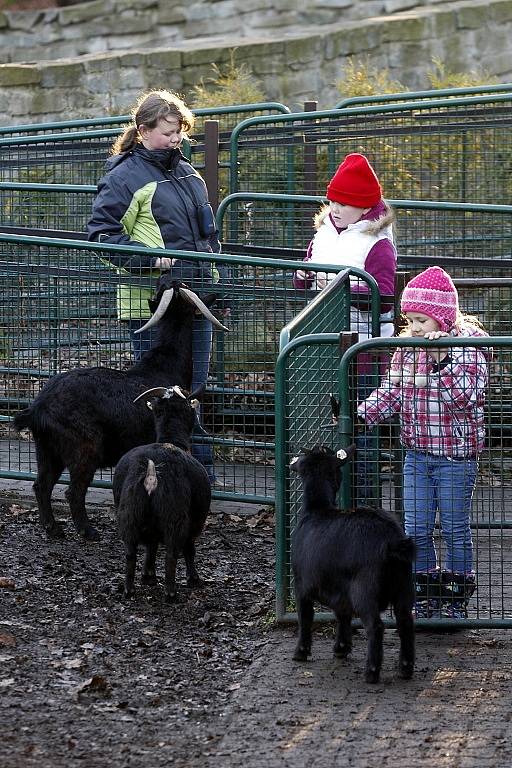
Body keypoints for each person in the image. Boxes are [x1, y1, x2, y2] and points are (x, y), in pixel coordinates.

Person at [87, 89, 223, 486]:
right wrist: (147, 258)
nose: (176, 138)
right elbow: (101, 235)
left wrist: (218, 288)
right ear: (143, 130)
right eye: (167, 132)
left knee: (192, 389)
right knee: (163, 394)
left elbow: (207, 238)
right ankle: (173, 475)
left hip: (195, 299)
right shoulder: (125, 175)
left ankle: (196, 476)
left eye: (180, 130)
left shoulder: (187, 172)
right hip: (153, 305)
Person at [357, 267, 490, 620]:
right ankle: (424, 594)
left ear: (443, 319)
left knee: (453, 527)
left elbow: (463, 397)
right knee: (415, 527)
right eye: (410, 319)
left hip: (455, 457)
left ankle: (456, 600)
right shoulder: (406, 349)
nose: (414, 327)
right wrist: (362, 415)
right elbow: (393, 390)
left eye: (421, 320)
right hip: (416, 454)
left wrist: (441, 360)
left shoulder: (468, 349)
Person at [293, 152, 397, 341]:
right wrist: (303, 275)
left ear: (365, 207)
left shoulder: (379, 244)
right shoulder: (324, 232)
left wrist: (343, 290)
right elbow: (305, 281)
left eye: (343, 204)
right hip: (320, 326)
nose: (334, 209)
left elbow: (384, 298)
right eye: (332, 201)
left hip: (363, 339)